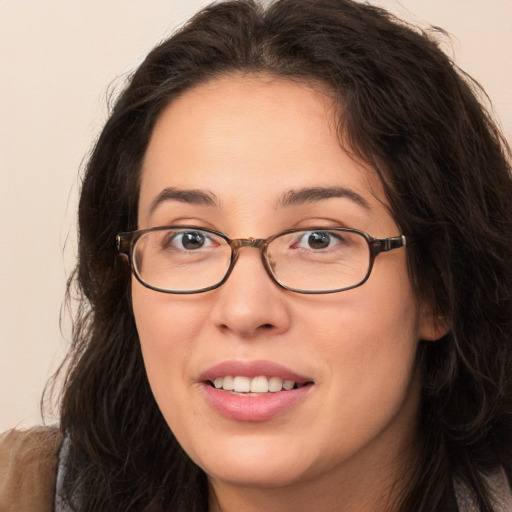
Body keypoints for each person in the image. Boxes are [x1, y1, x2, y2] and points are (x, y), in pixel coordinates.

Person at [1, 0, 511, 510]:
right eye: (190, 239)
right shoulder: (21, 491)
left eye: (318, 239)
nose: (244, 310)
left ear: (439, 287)